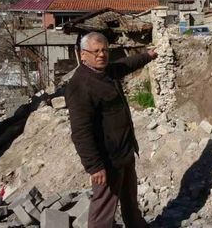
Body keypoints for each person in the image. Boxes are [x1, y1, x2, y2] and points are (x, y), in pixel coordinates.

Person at [65, 32, 158, 228]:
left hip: (124, 152)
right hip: (107, 160)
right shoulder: (80, 85)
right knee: (104, 208)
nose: (101, 55)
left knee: (130, 201)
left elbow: (126, 64)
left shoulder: (106, 72)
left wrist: (148, 55)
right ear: (83, 55)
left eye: (105, 50)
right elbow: (80, 131)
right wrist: (94, 165)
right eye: (96, 51)